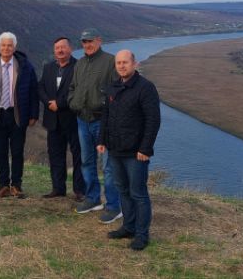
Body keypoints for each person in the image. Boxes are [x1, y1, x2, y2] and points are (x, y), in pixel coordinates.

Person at [98, 50, 161, 251]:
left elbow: (153, 120)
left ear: (134, 63)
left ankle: (142, 235)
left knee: (138, 194)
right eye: (118, 63)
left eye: (125, 62)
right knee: (123, 190)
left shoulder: (145, 88)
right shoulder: (113, 87)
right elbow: (106, 117)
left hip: (136, 153)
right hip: (115, 151)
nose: (122, 66)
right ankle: (128, 227)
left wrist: (145, 148)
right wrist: (102, 140)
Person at [0, 32, 39, 198]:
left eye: (9, 45)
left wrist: (34, 114)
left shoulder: (25, 66)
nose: (6, 48)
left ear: (15, 47)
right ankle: (3, 184)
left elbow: (34, 91)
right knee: (1, 151)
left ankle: (16, 185)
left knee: (17, 152)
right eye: (3, 45)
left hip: (18, 115)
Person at [68, 27, 121, 223]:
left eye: (90, 41)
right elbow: (72, 88)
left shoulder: (110, 61)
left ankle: (114, 206)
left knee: (109, 165)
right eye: (84, 42)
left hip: (103, 121)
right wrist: (74, 103)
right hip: (83, 120)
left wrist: (105, 108)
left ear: (99, 40)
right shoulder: (80, 63)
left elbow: (117, 90)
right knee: (87, 161)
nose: (87, 45)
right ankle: (92, 199)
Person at [38, 36, 85, 200]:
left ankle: (79, 191)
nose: (60, 50)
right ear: (54, 50)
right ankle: (58, 189)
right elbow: (41, 87)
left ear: (70, 49)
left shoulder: (79, 66)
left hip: (73, 119)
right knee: (55, 155)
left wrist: (60, 104)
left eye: (63, 47)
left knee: (78, 156)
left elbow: (79, 91)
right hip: (52, 120)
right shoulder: (48, 67)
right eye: (57, 48)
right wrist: (48, 103)